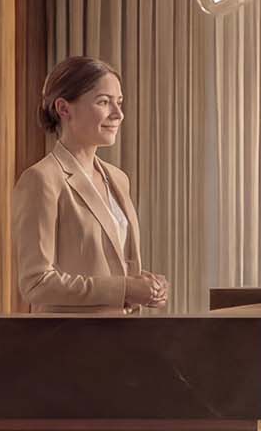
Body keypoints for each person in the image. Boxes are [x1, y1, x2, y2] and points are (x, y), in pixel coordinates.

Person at [13, 55, 170, 315]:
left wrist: (147, 285)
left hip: (124, 339)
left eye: (119, 103)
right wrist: (126, 289)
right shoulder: (41, 180)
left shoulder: (118, 178)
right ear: (64, 109)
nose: (118, 114)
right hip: (71, 342)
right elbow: (36, 283)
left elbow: (109, 267)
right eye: (104, 102)